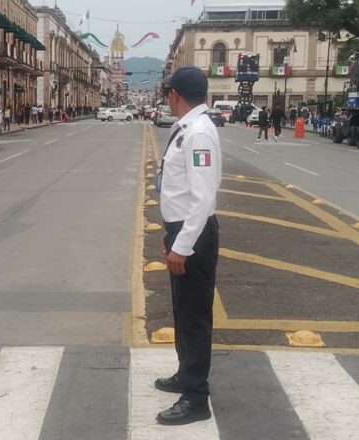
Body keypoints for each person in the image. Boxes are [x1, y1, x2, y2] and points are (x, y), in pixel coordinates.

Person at [155, 65, 221, 426]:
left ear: (175, 95)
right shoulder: (186, 129)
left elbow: (202, 197)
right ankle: (186, 374)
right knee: (183, 310)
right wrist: (172, 237)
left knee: (194, 317)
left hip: (193, 234)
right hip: (181, 230)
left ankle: (196, 398)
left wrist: (182, 246)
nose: (167, 98)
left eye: (167, 93)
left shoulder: (198, 133)